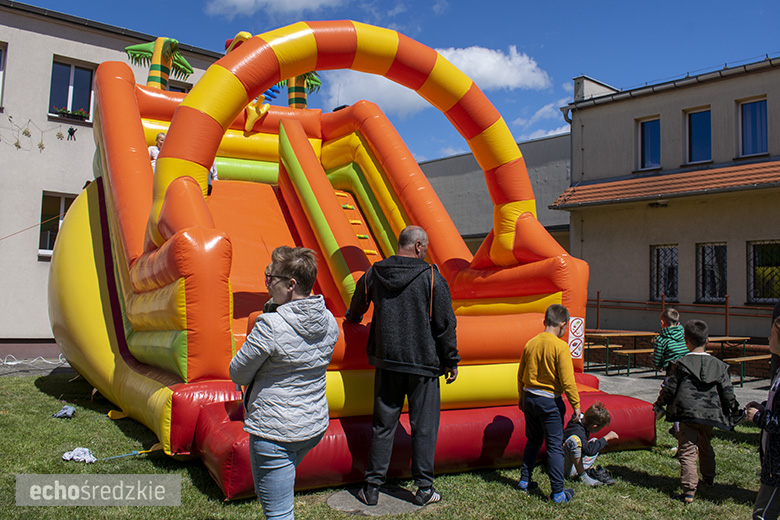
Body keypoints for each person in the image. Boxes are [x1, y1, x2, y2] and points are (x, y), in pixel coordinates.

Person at [346, 225, 459, 507]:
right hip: (423, 364)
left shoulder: (375, 272)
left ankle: (371, 487)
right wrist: (451, 360)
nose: (427, 251)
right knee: (424, 427)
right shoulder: (431, 277)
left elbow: (357, 305)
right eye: (426, 247)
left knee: (383, 425)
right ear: (418, 246)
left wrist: (352, 319)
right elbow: (445, 324)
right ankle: (424, 489)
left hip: (387, 360)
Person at [229, 246, 338, 520]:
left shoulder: (270, 326)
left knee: (279, 513)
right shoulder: (329, 320)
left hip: (276, 432)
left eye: (271, 278)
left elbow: (237, 373)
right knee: (276, 497)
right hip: (312, 425)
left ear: (290, 285)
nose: (267, 284)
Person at [653, 319, 741, 504]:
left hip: (686, 412)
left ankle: (689, 491)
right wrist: (734, 409)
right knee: (705, 445)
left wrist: (659, 404)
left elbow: (670, 388)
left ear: (686, 341)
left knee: (687, 451)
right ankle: (709, 479)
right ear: (707, 340)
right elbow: (727, 392)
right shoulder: (720, 366)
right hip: (709, 414)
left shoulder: (680, 364)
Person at [517, 304, 580, 503]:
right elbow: (567, 380)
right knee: (554, 446)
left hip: (529, 398)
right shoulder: (560, 347)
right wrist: (576, 405)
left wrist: (521, 397)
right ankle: (558, 493)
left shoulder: (530, 343)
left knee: (533, 440)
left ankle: (524, 480)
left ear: (545, 321)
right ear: (563, 324)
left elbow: (520, 374)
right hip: (549, 402)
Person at [746, 317, 780, 520]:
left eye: (772, 335)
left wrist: (758, 417)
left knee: (763, 514)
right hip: (774, 460)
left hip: (778, 466)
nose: (768, 338)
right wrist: (765, 407)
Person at [563, 401, 619, 486]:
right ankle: (583, 475)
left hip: (573, 463)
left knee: (594, 441)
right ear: (594, 426)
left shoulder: (581, 420)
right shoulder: (577, 430)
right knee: (575, 441)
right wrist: (606, 438)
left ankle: (589, 470)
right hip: (563, 466)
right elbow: (589, 450)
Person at [652, 308, 688, 374]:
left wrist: (659, 367)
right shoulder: (685, 335)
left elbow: (657, 361)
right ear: (678, 323)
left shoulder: (661, 339)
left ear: (662, 323)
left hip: (672, 372)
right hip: (688, 369)